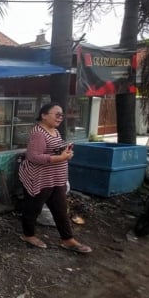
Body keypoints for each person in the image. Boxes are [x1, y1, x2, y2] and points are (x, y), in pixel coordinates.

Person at [17, 102, 92, 253]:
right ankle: (28, 235)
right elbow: (33, 156)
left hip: (56, 178)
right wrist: (59, 158)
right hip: (39, 179)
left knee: (60, 209)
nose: (60, 118)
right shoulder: (38, 132)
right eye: (56, 114)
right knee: (33, 208)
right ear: (44, 115)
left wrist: (66, 153)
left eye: (61, 115)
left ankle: (67, 239)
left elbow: (53, 150)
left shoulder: (54, 131)